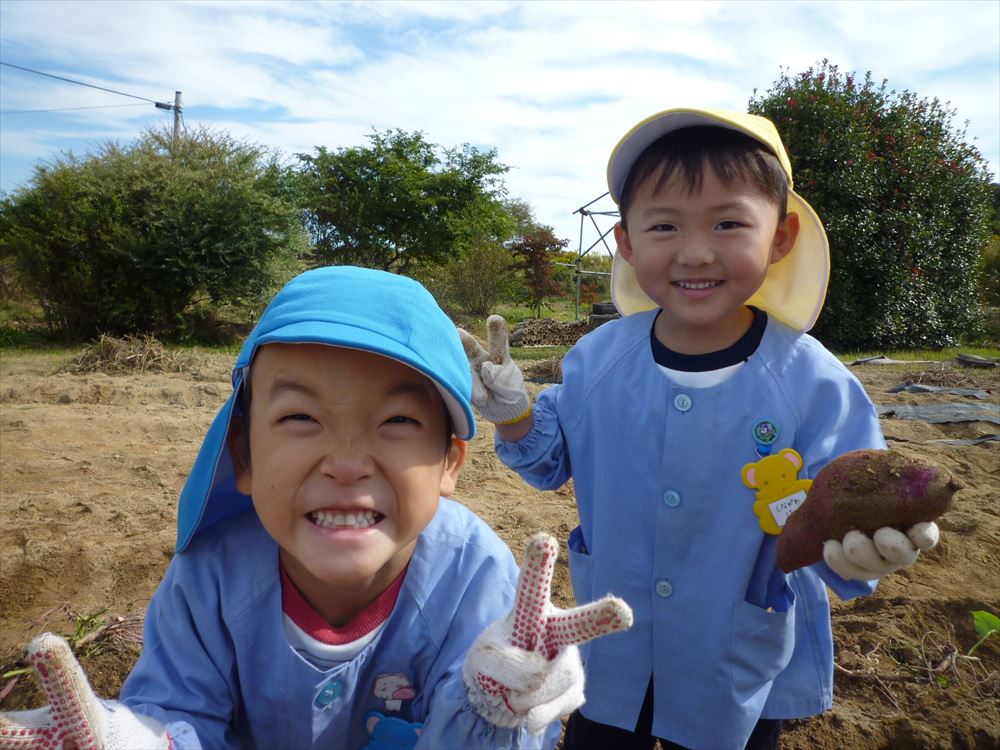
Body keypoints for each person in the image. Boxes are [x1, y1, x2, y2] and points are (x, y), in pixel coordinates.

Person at [459, 108, 941, 750]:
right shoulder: (599, 360)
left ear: (780, 236)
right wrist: (516, 415)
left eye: (728, 222)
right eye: (663, 226)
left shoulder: (811, 380)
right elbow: (550, 462)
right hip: (613, 637)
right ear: (626, 243)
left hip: (734, 647)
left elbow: (847, 503)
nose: (695, 251)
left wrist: (866, 540)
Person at [0, 266, 631, 750]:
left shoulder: (479, 579)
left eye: (398, 420)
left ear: (449, 464)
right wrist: (129, 738)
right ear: (242, 454)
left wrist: (496, 706)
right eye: (301, 417)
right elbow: (177, 716)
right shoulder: (211, 577)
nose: (347, 461)